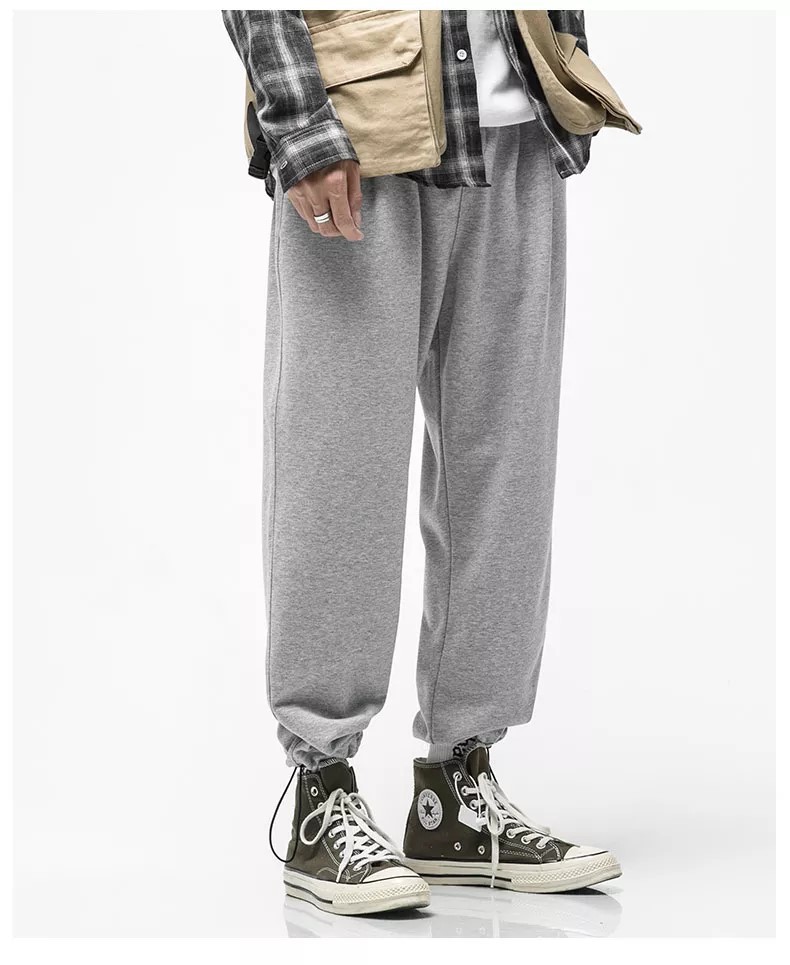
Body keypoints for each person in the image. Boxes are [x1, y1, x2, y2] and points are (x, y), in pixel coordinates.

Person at [223, 9, 636, 916]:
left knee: (507, 470)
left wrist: (565, 67)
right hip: (359, 135)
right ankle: (321, 791)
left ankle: (457, 793)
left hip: (516, 132)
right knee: (339, 469)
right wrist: (300, 126)